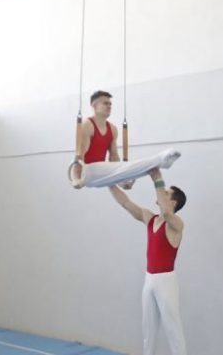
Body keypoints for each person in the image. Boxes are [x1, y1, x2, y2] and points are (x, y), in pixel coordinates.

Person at [108, 168, 187, 355]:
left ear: (173, 202)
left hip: (166, 282)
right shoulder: (150, 218)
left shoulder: (176, 224)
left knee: (173, 329)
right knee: (148, 331)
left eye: (166, 193)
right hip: (149, 280)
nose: (161, 194)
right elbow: (126, 203)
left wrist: (157, 178)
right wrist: (109, 183)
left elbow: (167, 213)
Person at [71, 90, 134, 189]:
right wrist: (76, 179)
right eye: (105, 103)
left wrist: (121, 178)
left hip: (101, 170)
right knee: (79, 160)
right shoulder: (87, 125)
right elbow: (79, 157)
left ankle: (123, 183)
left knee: (117, 183)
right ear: (94, 106)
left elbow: (114, 157)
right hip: (87, 170)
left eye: (110, 104)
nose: (109, 106)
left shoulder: (113, 129)